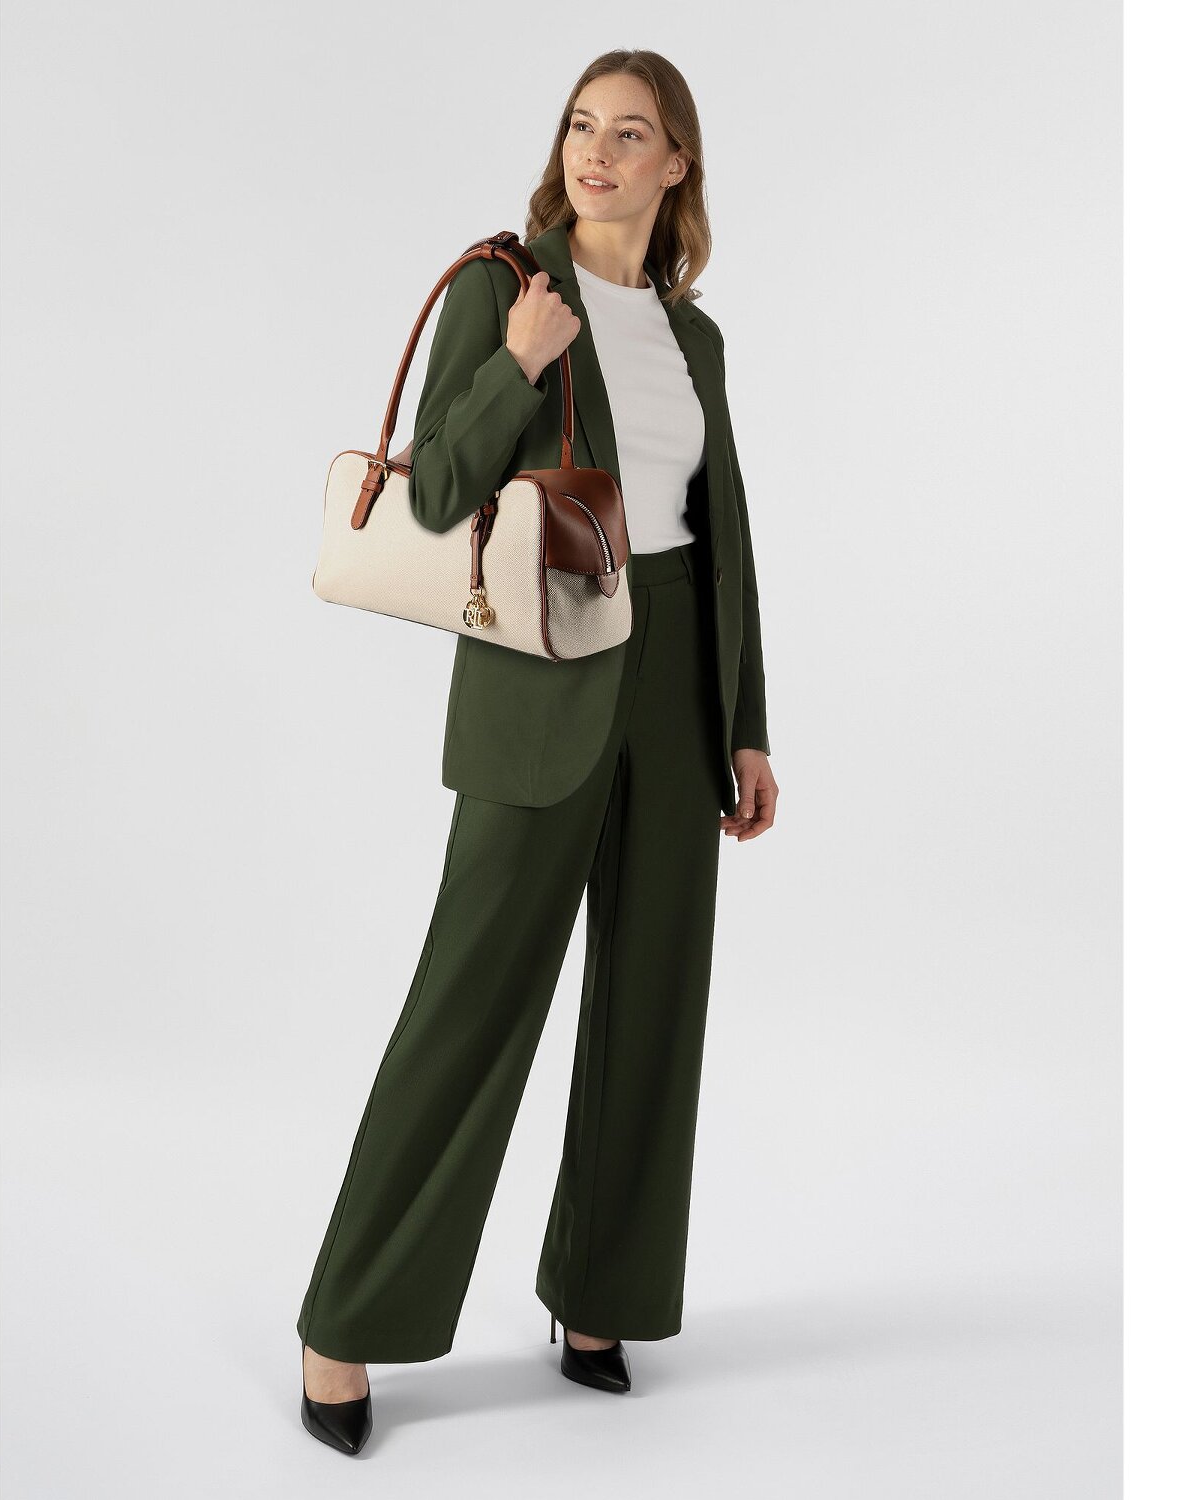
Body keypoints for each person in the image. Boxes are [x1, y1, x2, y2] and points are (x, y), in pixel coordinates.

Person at [295, 49, 778, 1456]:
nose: (597, 154)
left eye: (631, 134)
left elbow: (726, 538)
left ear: (677, 165)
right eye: (581, 126)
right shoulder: (507, 288)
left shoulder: (695, 340)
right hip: (543, 671)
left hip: (676, 673)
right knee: (473, 998)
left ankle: (598, 1300)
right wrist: (516, 362)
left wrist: (747, 723)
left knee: (653, 1000)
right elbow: (437, 490)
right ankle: (346, 1320)